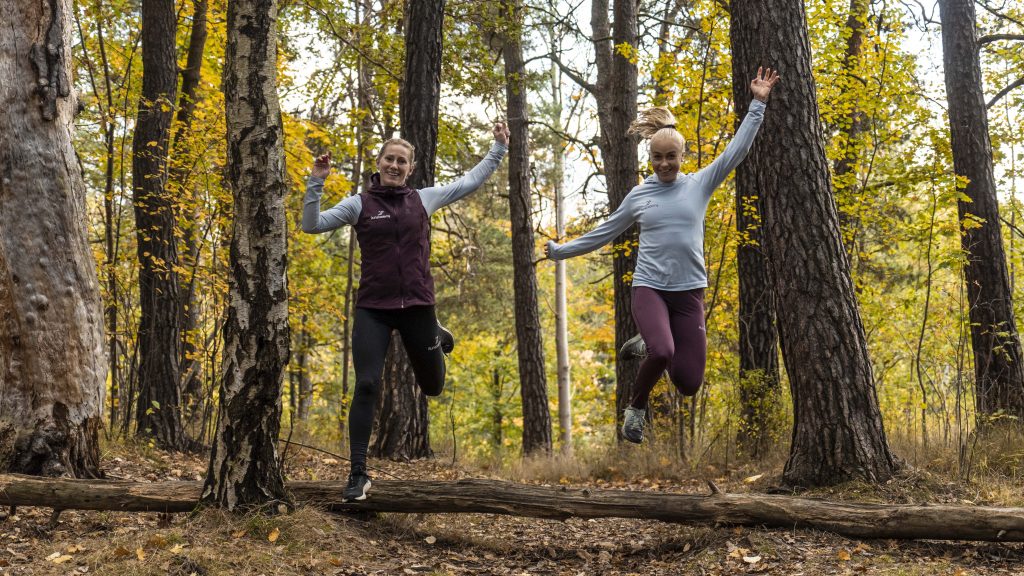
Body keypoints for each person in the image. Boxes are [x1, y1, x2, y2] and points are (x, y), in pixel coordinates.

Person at [545, 67, 780, 444]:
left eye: (671, 157)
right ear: (649, 157)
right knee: (663, 350)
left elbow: (737, 151)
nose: (664, 164)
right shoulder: (639, 196)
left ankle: (651, 339)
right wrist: (562, 251)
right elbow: (605, 232)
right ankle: (635, 409)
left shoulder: (699, 184)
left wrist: (758, 103)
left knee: (688, 383)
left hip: (689, 294)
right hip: (649, 287)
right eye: (657, 158)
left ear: (682, 156)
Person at [303, 123, 510, 500]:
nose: (394, 165)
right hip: (373, 309)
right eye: (389, 159)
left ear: (410, 167)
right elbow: (311, 225)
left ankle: (435, 333)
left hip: (417, 306)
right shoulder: (359, 204)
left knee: (433, 387)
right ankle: (358, 474)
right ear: (378, 162)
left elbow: (470, 182)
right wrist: (316, 182)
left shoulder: (424, 199)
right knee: (366, 384)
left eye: (402, 161)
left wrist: (498, 148)